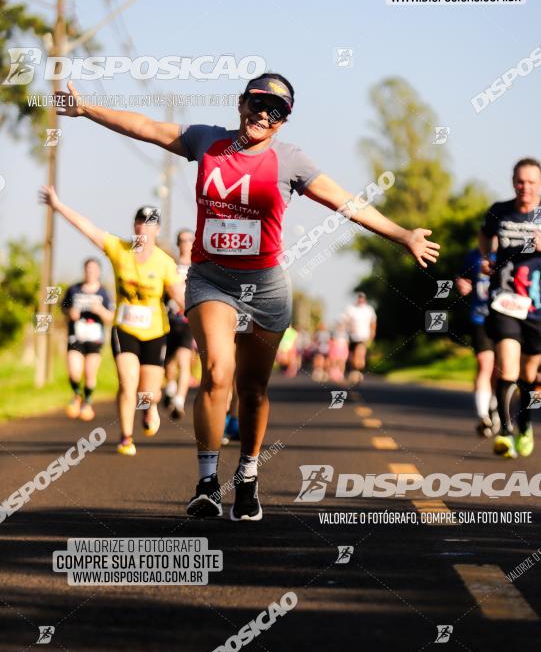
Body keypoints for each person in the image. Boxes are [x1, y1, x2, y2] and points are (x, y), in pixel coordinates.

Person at [56, 73, 439, 520]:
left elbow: (347, 204)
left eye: (276, 111)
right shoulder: (206, 142)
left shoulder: (290, 160)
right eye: (257, 103)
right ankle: (206, 483)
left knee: (253, 389)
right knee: (218, 373)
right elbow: (145, 127)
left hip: (266, 287)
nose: (263, 114)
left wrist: (403, 235)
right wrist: (87, 110)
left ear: (284, 122)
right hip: (211, 280)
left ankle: (249, 475)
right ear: (241, 104)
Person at [39, 188, 185, 456]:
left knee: (148, 392)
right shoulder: (119, 250)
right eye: (139, 222)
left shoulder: (164, 263)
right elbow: (87, 228)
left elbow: (180, 296)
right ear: (134, 226)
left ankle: (149, 407)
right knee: (127, 382)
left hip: (154, 332)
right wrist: (58, 205)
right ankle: (126, 438)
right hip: (125, 329)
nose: (143, 228)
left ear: (156, 230)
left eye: (149, 224)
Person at [480, 158, 541, 458]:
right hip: (505, 301)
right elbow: (484, 236)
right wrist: (487, 258)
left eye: (531, 182)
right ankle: (506, 433)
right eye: (520, 181)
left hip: (539, 307)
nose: (525, 187)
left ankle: (526, 423)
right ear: (513, 182)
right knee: (507, 368)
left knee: (529, 376)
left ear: (540, 183)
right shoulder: (499, 210)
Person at [61, 258, 114, 421]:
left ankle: (88, 403)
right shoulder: (73, 290)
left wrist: (100, 310)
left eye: (93, 269)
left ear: (98, 272)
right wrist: (71, 313)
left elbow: (111, 317)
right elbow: (64, 309)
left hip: (95, 339)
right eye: (87, 269)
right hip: (75, 337)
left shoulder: (104, 292)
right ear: (84, 270)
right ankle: (77, 395)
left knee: (90, 373)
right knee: (74, 372)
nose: (90, 272)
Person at [455, 249, 499, 437]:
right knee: (485, 364)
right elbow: (462, 276)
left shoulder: (514, 251)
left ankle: (495, 408)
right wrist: (462, 283)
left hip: (508, 318)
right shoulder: (474, 255)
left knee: (501, 370)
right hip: (480, 318)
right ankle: (483, 415)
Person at [163, 228, 195, 420]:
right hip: (168, 319)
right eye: (182, 240)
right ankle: (170, 386)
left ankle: (179, 401)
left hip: (188, 320)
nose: (186, 243)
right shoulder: (170, 266)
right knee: (168, 362)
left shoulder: (200, 267)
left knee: (184, 361)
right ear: (178, 243)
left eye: (190, 240)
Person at [342, 292, 377, 381]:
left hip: (363, 336)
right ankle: (354, 370)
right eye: (359, 298)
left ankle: (358, 371)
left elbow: (373, 322)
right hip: (352, 336)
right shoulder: (351, 309)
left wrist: (372, 333)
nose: (360, 299)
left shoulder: (369, 309)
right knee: (352, 356)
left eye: (362, 298)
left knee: (360, 353)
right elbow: (345, 322)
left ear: (364, 299)